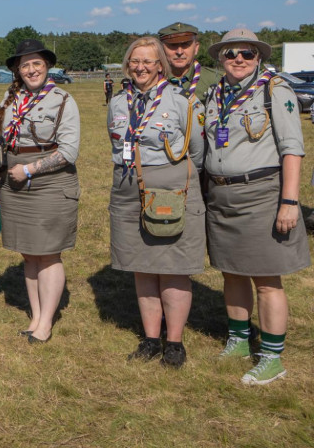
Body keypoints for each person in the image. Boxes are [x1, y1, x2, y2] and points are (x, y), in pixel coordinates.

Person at [202, 28, 309, 385]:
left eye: (247, 53)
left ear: (258, 56)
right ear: (220, 58)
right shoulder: (214, 95)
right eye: (231, 53)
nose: (239, 60)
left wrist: (289, 202)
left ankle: (273, 357)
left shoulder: (274, 90)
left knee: (266, 280)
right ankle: (238, 339)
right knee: (230, 271)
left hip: (261, 194)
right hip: (220, 196)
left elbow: (292, 148)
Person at [108, 36, 204, 368]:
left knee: (174, 267)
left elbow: (196, 151)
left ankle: (174, 342)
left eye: (148, 61)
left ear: (161, 64)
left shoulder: (180, 101)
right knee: (142, 266)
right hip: (127, 187)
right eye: (135, 60)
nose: (141, 67)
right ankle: (150, 339)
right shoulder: (119, 102)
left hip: (169, 188)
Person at [0, 39, 80, 344]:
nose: (31, 70)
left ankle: (46, 322)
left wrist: (30, 169)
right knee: (28, 254)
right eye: (25, 64)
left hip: (50, 183)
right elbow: (2, 143)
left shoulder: (63, 100)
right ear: (17, 69)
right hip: (14, 183)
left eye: (37, 64)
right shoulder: (11, 97)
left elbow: (69, 151)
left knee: (48, 254)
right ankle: (35, 316)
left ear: (47, 66)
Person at [157, 22, 220, 102]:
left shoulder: (215, 79)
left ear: (196, 48)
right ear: (161, 49)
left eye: (185, 45)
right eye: (173, 45)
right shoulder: (152, 80)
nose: (179, 52)